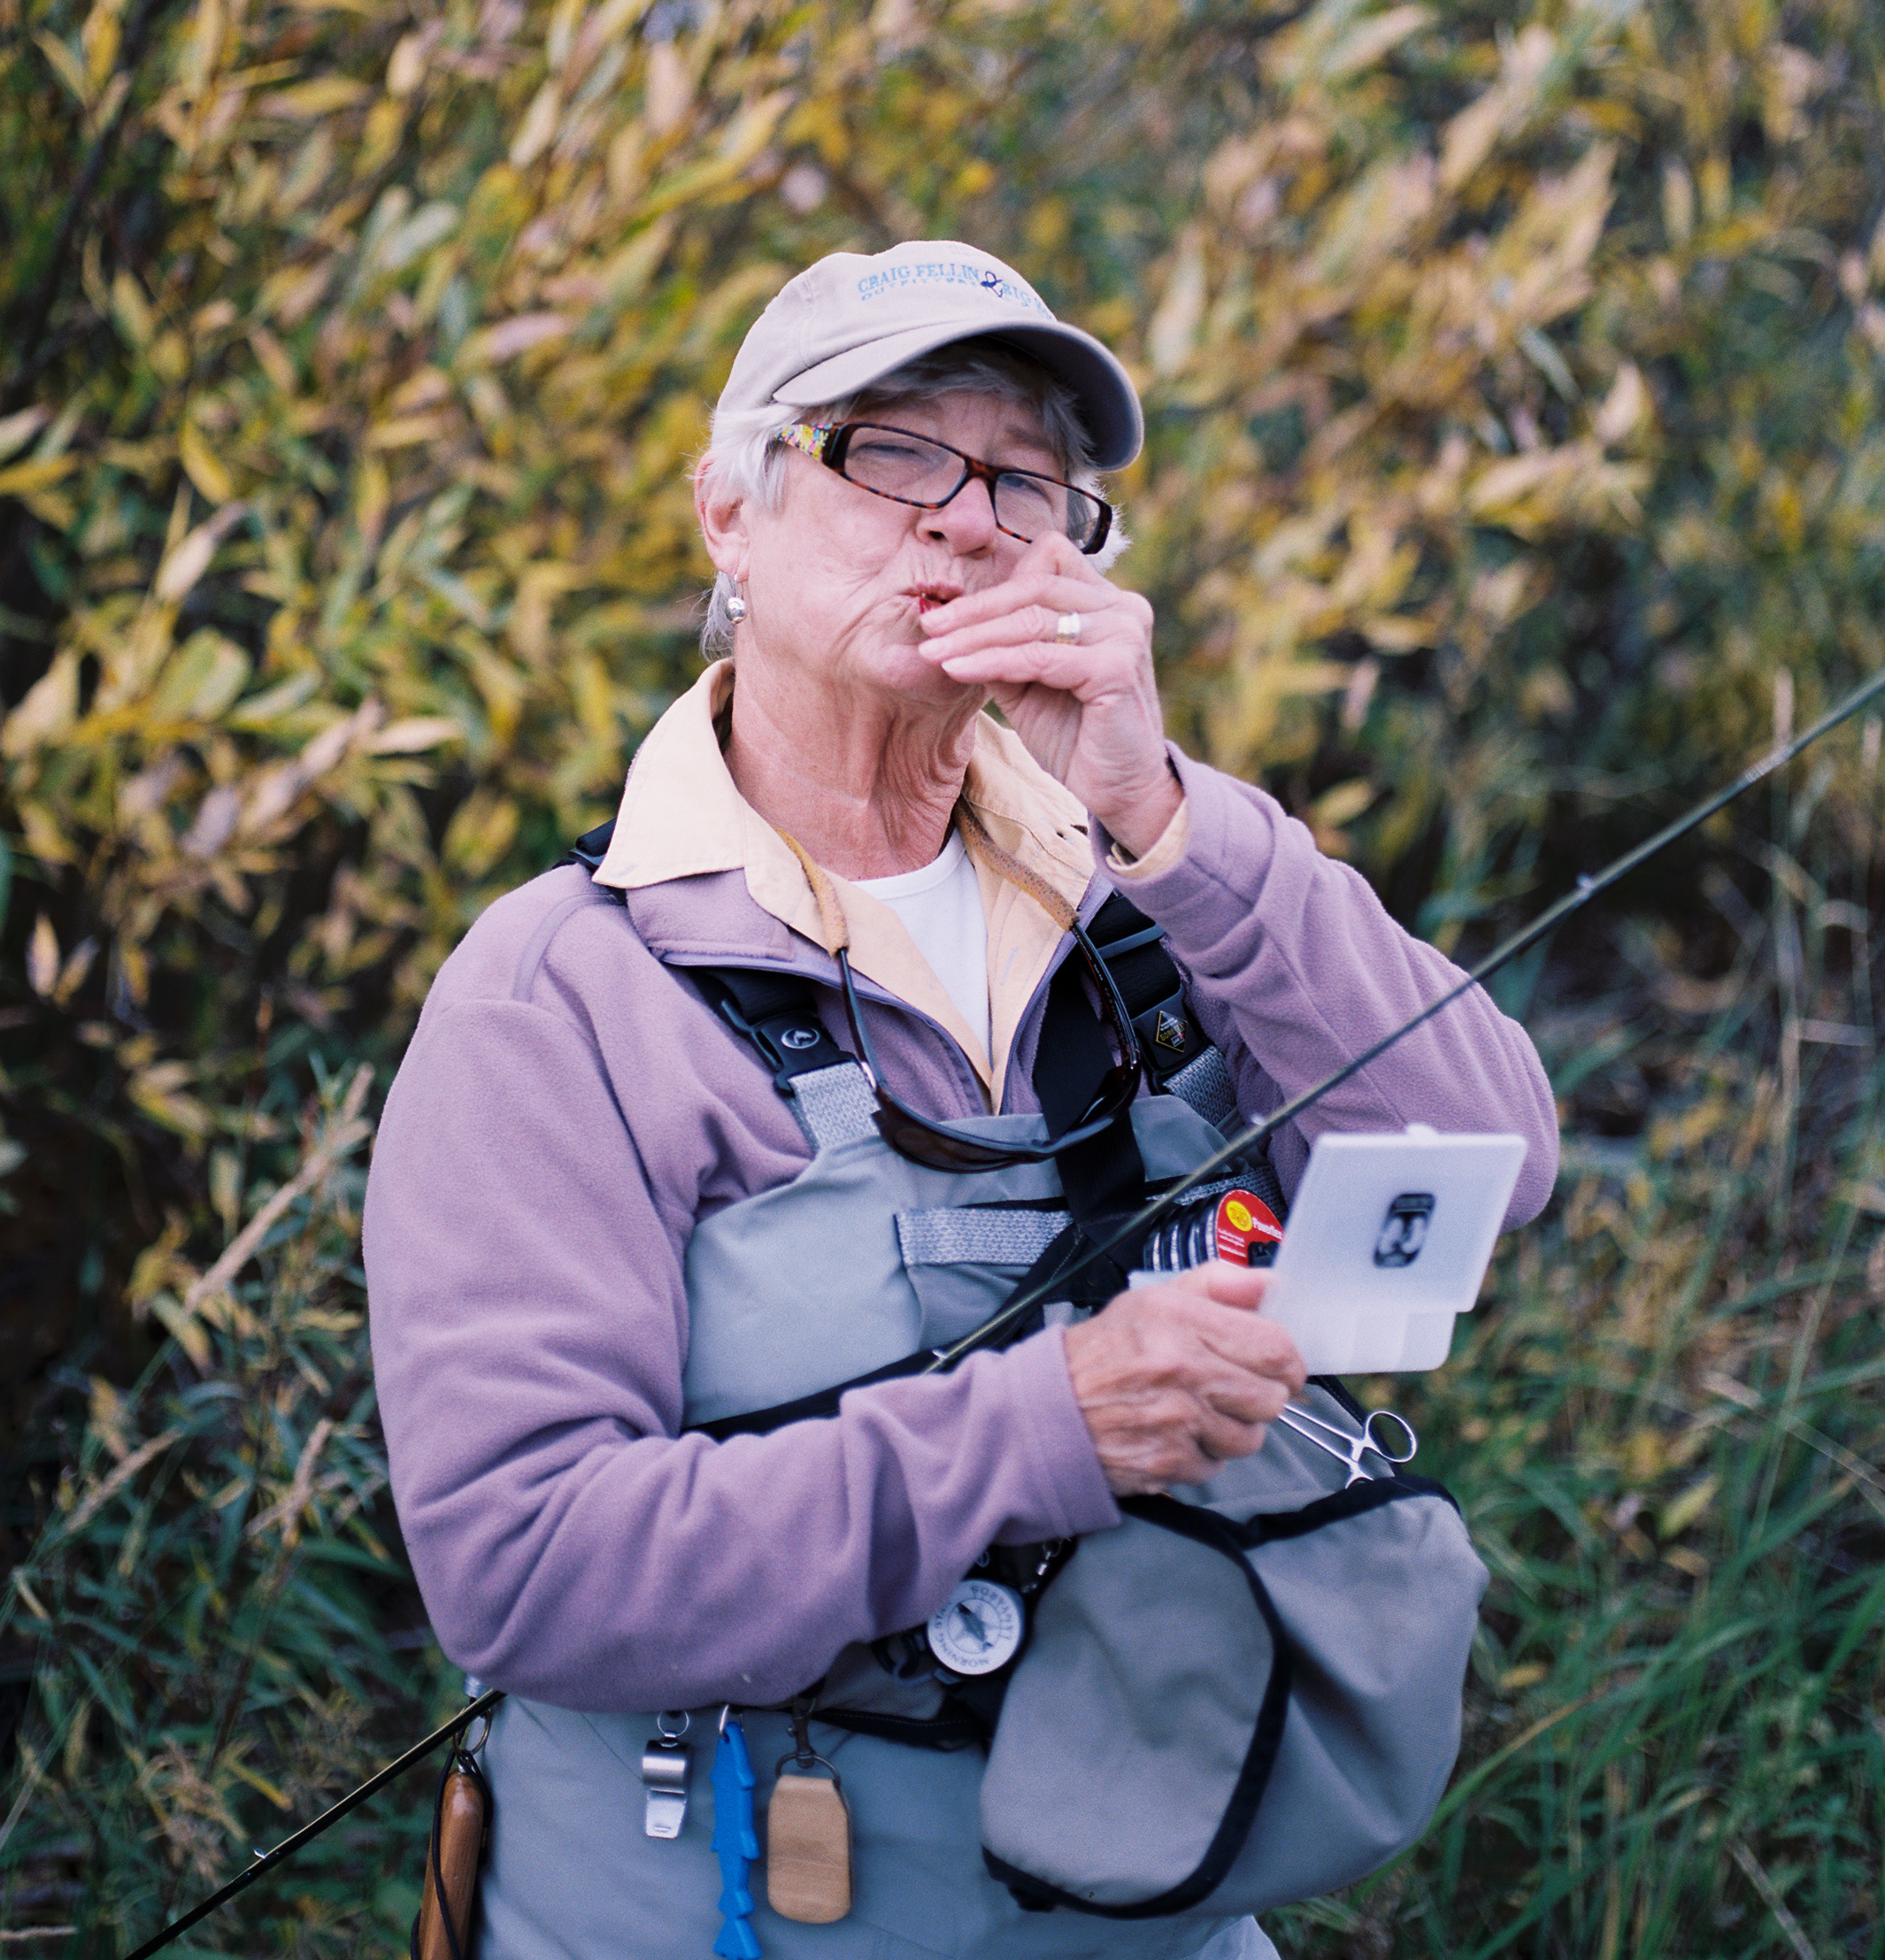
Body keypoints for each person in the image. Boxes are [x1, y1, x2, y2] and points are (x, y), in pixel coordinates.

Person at [365, 240, 1558, 1960]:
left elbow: (1487, 1162)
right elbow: (527, 1565)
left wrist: (1168, 813)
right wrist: (1043, 1426)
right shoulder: (563, 989)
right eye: (890, 451)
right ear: (729, 516)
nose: (967, 514)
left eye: (1027, 478)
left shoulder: (1153, 893)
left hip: (1155, 1912)